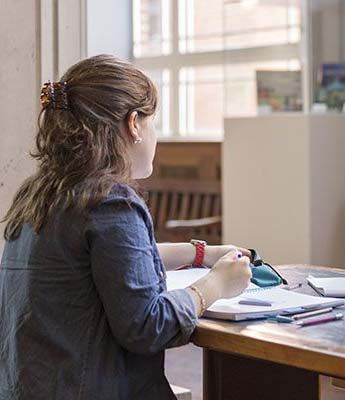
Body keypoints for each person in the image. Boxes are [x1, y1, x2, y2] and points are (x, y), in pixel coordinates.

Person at [0, 54, 252, 399]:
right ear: (134, 123)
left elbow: (103, 263)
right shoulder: (110, 200)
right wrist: (216, 284)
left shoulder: (40, 192)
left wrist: (200, 253)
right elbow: (147, 327)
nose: (154, 136)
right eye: (153, 123)